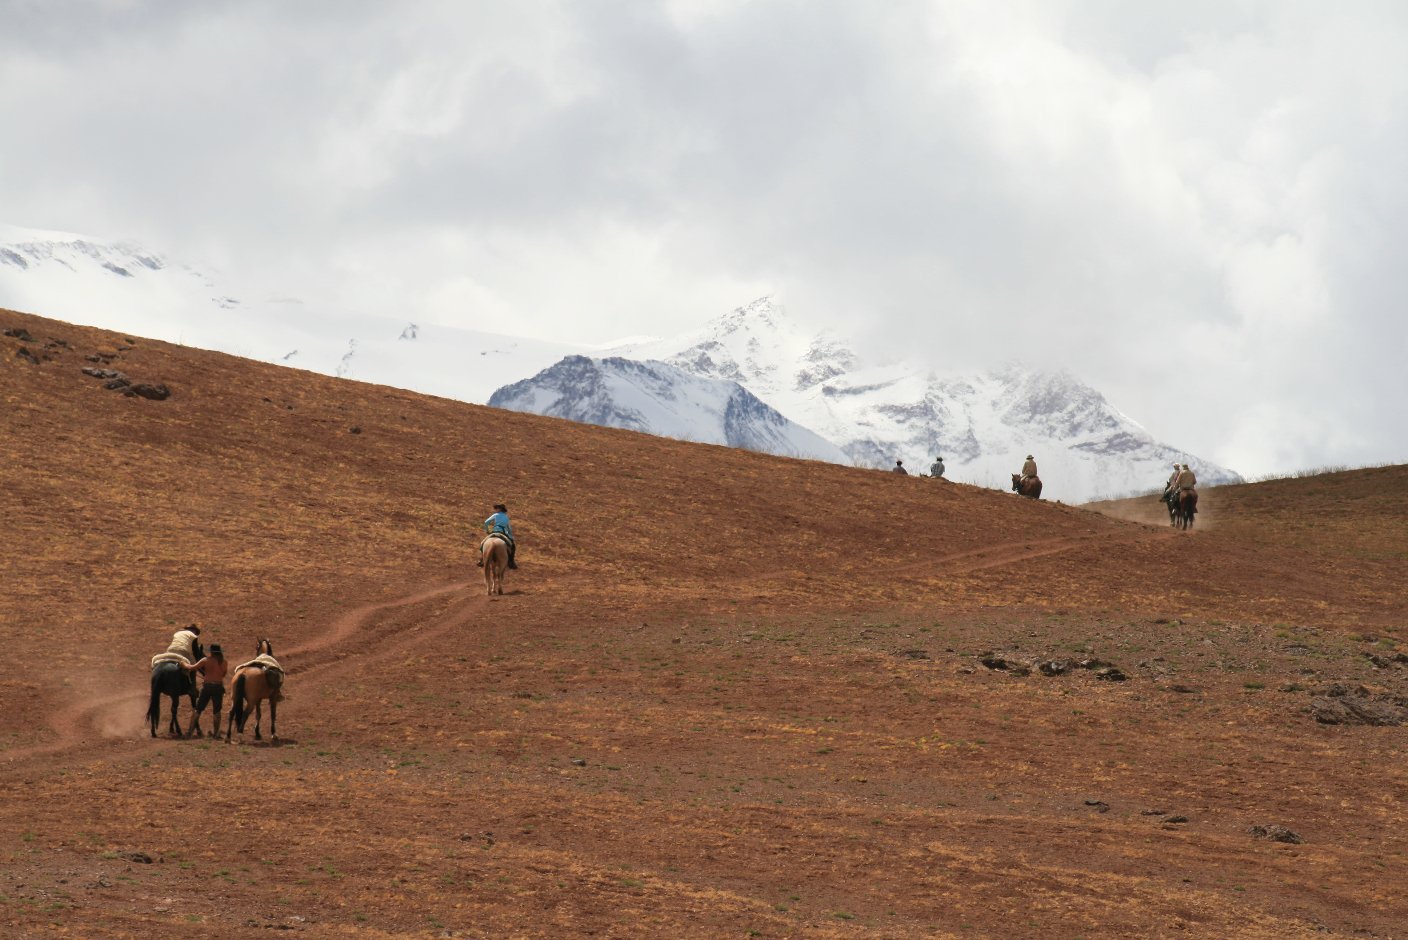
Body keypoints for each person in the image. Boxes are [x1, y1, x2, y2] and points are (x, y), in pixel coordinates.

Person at [182, 643, 228, 738]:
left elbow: (192, 668)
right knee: (217, 711)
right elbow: (223, 675)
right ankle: (216, 734)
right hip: (218, 687)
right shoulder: (224, 662)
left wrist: (183, 664)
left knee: (198, 709)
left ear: (210, 651)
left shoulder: (205, 660)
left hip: (207, 687)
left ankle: (190, 732)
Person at [479, 502, 517, 569]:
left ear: (500, 509)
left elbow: (486, 522)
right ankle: (511, 562)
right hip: (504, 533)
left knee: (482, 543)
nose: (495, 509)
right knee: (513, 546)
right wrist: (510, 536)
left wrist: (487, 530)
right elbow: (509, 528)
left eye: (496, 508)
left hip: (495, 532)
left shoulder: (495, 515)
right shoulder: (506, 517)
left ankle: (482, 560)